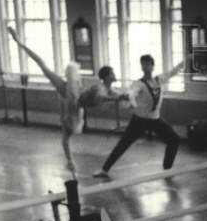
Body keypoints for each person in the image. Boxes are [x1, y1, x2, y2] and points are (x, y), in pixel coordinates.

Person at [8, 26, 126, 174]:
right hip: (73, 102)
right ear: (108, 76)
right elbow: (101, 97)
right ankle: (69, 161)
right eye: (112, 73)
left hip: (76, 106)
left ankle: (69, 161)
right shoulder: (99, 89)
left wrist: (124, 97)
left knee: (66, 135)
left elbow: (112, 96)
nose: (114, 74)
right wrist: (18, 41)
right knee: (66, 134)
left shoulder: (108, 89)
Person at [94, 54, 184, 179]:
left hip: (155, 120)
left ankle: (167, 169)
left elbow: (172, 72)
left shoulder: (159, 80)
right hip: (139, 121)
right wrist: (128, 95)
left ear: (152, 66)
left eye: (148, 64)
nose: (145, 66)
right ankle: (104, 170)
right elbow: (132, 90)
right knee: (123, 144)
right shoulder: (139, 83)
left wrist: (186, 61)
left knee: (174, 140)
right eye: (143, 64)